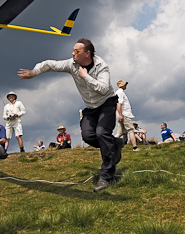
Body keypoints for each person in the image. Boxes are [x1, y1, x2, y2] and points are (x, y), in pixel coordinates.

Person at [18, 38, 123, 192]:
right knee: (88, 136)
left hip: (106, 103)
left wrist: (85, 76)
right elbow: (50, 64)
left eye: (76, 51)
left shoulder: (102, 67)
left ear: (87, 53)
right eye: (73, 50)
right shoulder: (71, 64)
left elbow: (103, 88)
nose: (72, 53)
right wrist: (34, 72)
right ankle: (115, 144)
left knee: (102, 133)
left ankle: (106, 177)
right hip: (90, 107)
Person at [114, 80, 139, 152]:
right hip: (124, 114)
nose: (126, 86)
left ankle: (109, 144)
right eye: (125, 85)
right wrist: (121, 115)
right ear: (122, 85)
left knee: (120, 132)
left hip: (121, 114)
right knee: (131, 130)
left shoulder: (117, 93)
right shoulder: (120, 93)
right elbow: (119, 104)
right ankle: (135, 147)